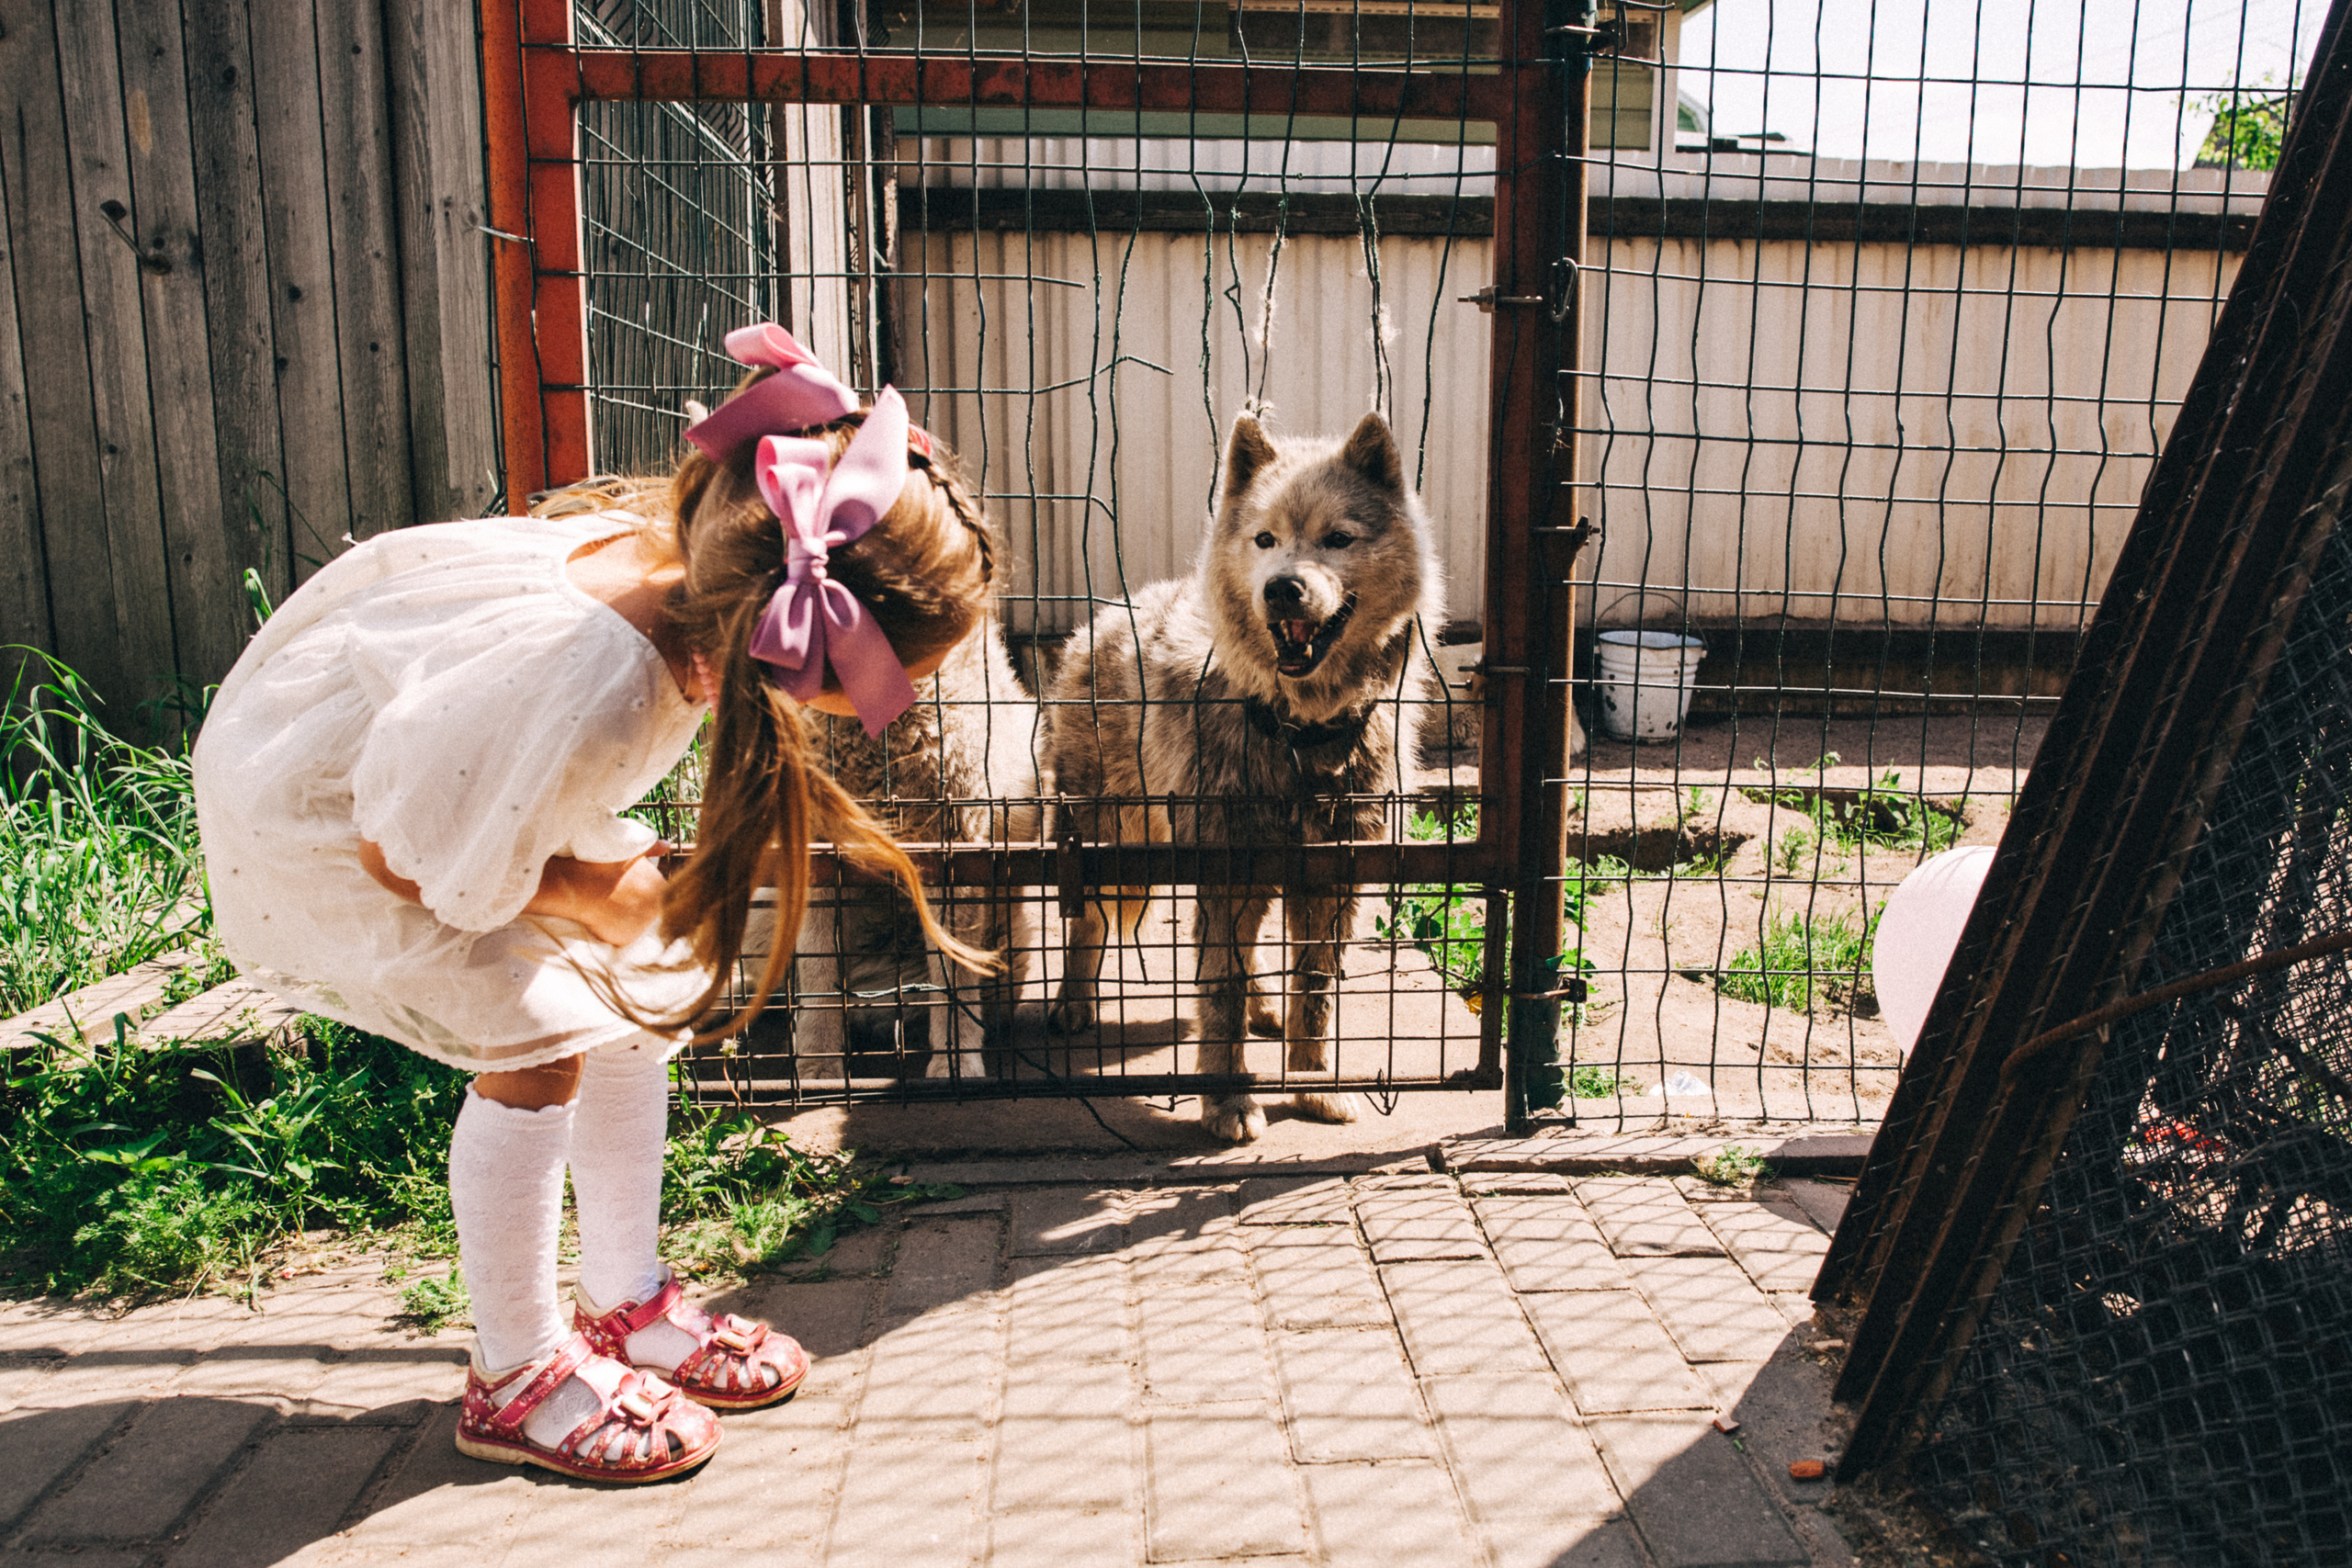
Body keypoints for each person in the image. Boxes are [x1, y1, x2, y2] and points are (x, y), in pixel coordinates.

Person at [193, 324, 998, 1483]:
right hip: (338, 815)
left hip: (459, 785)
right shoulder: (594, 679)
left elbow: (485, 773)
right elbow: (404, 851)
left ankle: (625, 1300)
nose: (897, 705)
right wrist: (586, 888)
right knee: (543, 1036)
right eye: (892, 681)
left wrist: (608, 900)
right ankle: (515, 1372)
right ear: (802, 644)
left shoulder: (689, 579)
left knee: (638, 989)